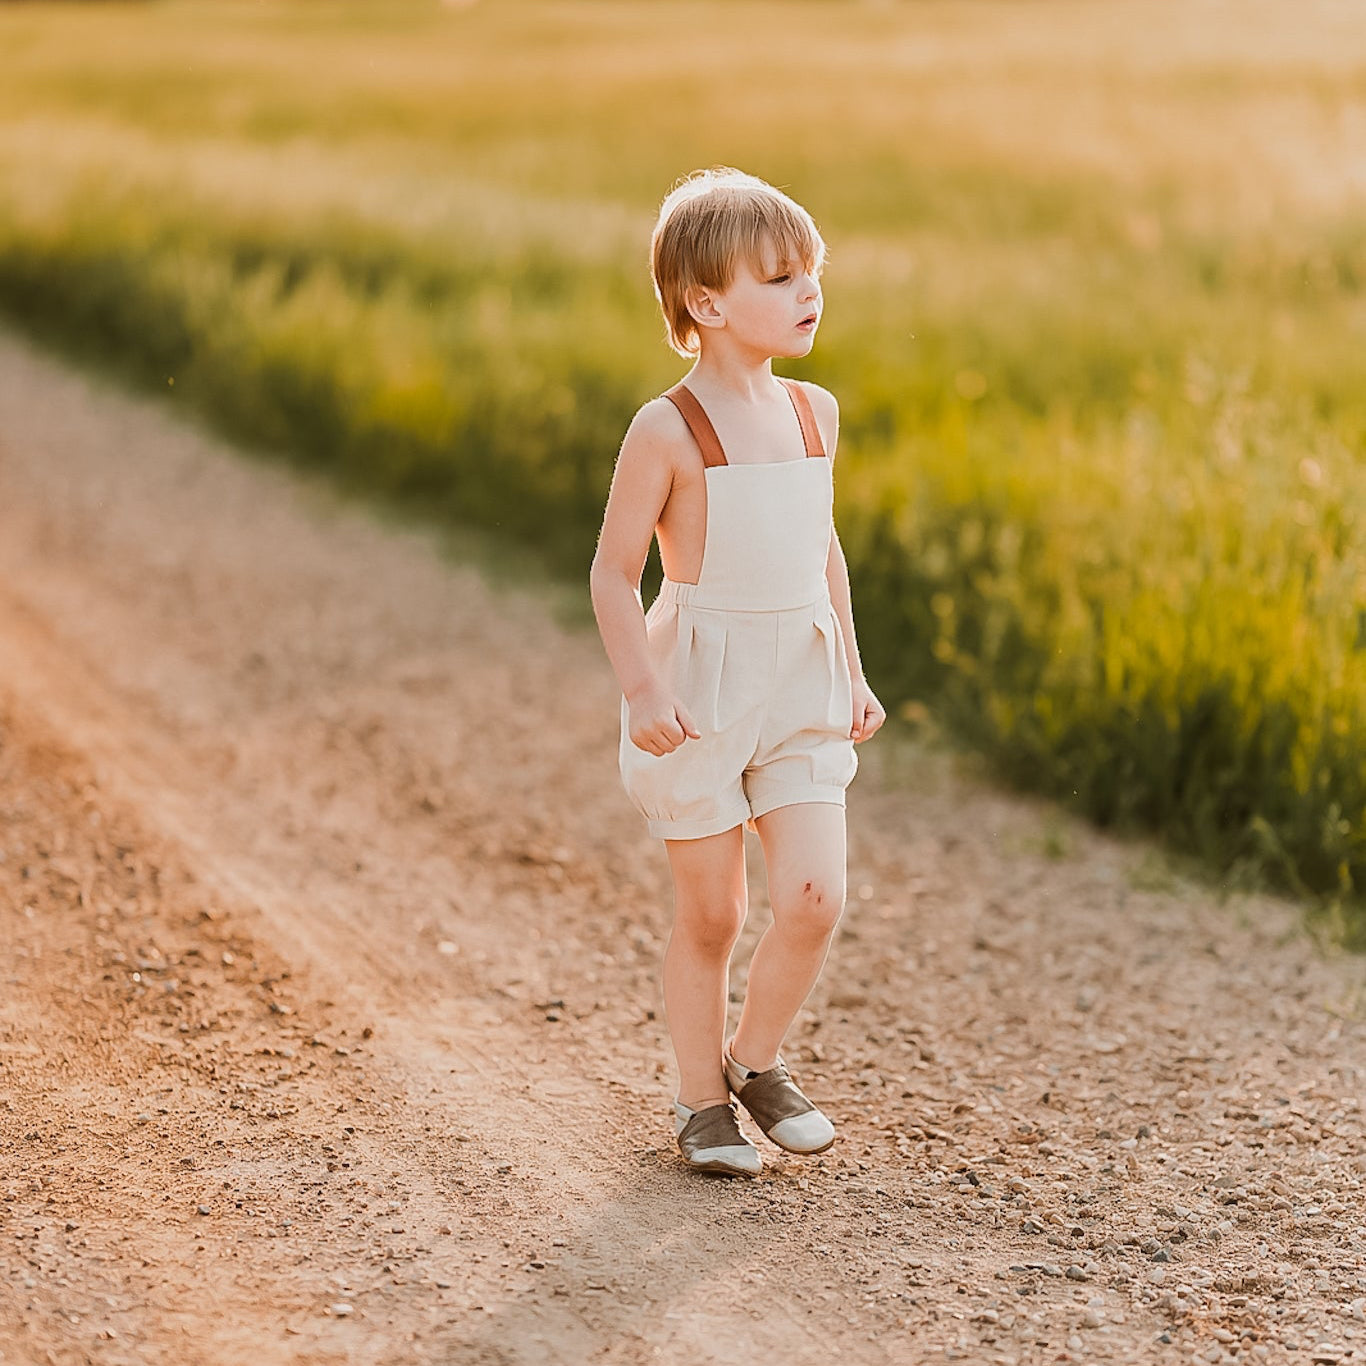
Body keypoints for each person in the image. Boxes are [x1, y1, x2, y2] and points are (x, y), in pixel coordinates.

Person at [589, 167, 886, 1177]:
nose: (808, 290)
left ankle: (753, 1062)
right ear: (706, 303)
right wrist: (642, 690)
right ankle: (698, 1101)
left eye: (812, 270)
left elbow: (823, 548)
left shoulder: (816, 412)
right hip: (704, 686)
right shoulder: (666, 429)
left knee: (813, 896)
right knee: (713, 911)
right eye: (779, 275)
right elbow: (612, 572)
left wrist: (849, 667)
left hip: (799, 682)